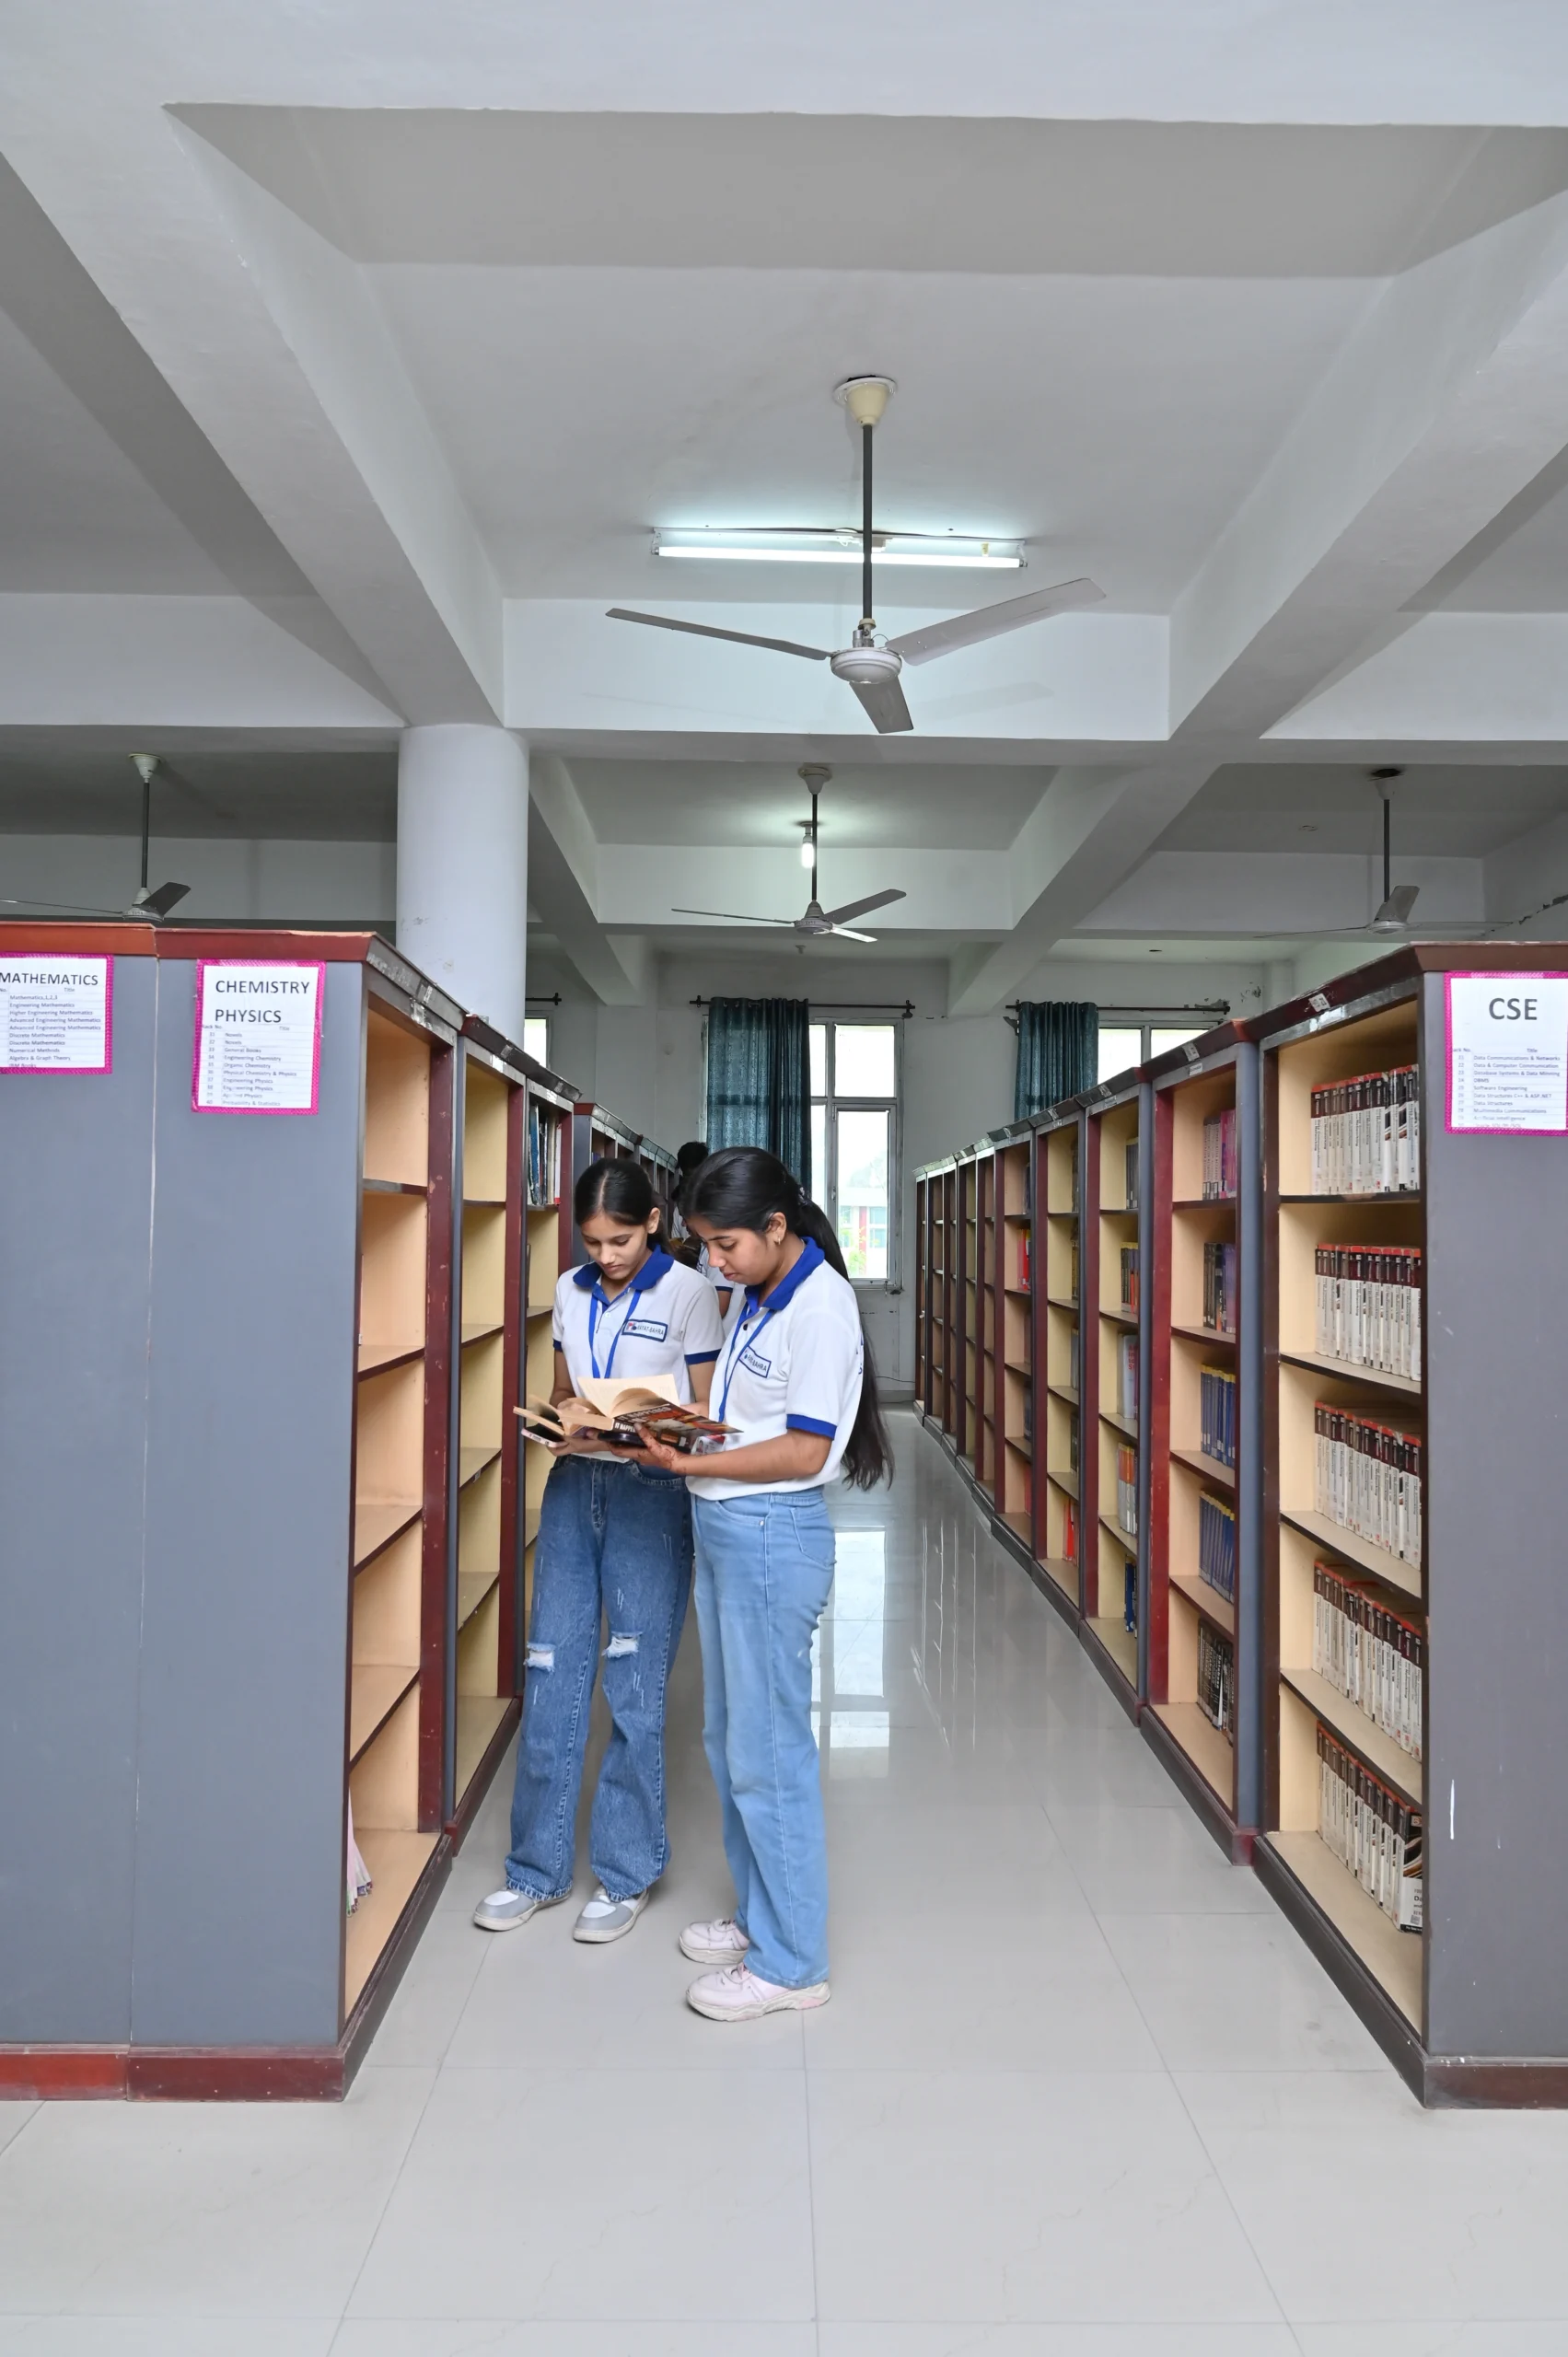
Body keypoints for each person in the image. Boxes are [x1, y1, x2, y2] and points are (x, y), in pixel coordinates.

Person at [636, 1146, 892, 2021]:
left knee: (768, 1754)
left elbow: (804, 1449)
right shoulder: (757, 1289)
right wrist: (664, 1430)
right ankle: (760, 1917)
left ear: (775, 1229)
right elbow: (747, 1415)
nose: (712, 1263)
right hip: (728, 1525)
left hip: (770, 1537)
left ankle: (791, 1965)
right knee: (727, 1740)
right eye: (704, 1245)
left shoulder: (819, 1308)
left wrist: (686, 1460)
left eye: (725, 1245)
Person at [472, 1157, 724, 1945]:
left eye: (619, 1239)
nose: (605, 1256)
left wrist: (641, 1425)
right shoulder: (571, 1289)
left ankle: (624, 1874)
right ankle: (535, 1870)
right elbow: (563, 1387)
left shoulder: (689, 1289)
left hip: (650, 1492)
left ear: (654, 1220)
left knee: (633, 1684)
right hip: (575, 1484)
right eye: (591, 1241)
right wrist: (563, 1420)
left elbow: (704, 1404)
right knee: (549, 1669)